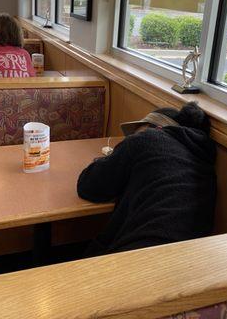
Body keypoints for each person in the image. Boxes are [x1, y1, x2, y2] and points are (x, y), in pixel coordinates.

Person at [77, 102, 217, 257]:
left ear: (156, 128)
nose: (132, 136)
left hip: (142, 254)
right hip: (193, 259)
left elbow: (87, 186)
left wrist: (114, 157)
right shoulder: (202, 159)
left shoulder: (147, 139)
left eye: (137, 131)